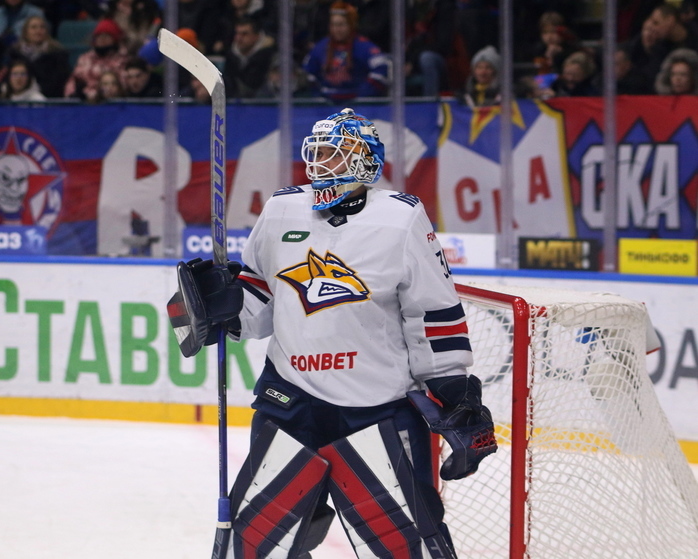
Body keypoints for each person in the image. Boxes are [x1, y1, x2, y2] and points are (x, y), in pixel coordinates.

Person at [167, 108, 497, 558]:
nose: (320, 163)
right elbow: (261, 297)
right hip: (290, 401)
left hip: (376, 408)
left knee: (406, 546)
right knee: (257, 544)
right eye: (317, 152)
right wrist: (225, 308)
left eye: (333, 153)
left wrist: (453, 389)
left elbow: (431, 310)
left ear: (365, 160)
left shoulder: (401, 217)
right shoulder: (282, 209)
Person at [302, 0, 389, 102]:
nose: (337, 29)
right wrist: (320, 98)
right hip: (327, 105)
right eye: (333, 25)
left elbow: (380, 70)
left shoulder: (365, 47)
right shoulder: (321, 47)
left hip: (360, 105)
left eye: (341, 25)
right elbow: (308, 73)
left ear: (351, 25)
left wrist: (362, 97)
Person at [63, 17, 130, 101]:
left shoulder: (122, 60)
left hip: (113, 101)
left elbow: (124, 84)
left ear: (114, 39)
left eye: (106, 36)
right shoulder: (85, 59)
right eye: (99, 36)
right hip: (86, 101)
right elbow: (73, 81)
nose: (102, 39)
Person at [7, 15, 70, 98]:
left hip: (49, 99)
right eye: (34, 27)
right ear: (25, 32)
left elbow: (60, 80)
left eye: (42, 27)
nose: (38, 30)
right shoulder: (14, 54)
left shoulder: (58, 54)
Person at [223, 16, 276, 99]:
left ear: (256, 36)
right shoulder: (231, 55)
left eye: (244, 34)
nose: (239, 38)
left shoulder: (271, 54)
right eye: (237, 33)